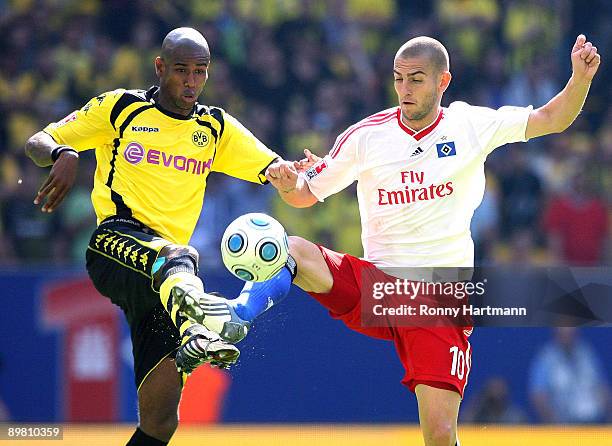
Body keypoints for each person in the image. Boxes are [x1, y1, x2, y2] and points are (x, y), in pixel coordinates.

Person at [213, 34, 601, 446]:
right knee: (293, 249)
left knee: (438, 433)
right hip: (378, 289)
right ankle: (239, 314)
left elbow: (551, 118)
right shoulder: (366, 136)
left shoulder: (470, 125)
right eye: (399, 79)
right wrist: (289, 184)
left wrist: (580, 77)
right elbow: (305, 194)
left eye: (416, 79)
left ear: (442, 82)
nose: (404, 89)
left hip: (440, 299)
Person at [25, 27, 284, 446]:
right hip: (115, 246)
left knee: (160, 422)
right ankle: (197, 327)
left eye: (200, 72)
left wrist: (293, 173)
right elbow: (39, 140)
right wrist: (64, 152)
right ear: (160, 67)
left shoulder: (214, 128)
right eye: (181, 70)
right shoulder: (121, 108)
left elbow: (273, 167)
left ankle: (192, 331)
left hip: (166, 282)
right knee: (177, 255)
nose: (191, 81)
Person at [529, 327, 611, 423]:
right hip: (565, 424)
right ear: (556, 334)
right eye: (564, 334)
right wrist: (554, 423)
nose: (568, 337)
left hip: (594, 421)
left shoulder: (586, 353)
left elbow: (601, 386)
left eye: (571, 333)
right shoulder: (546, 359)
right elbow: (538, 395)